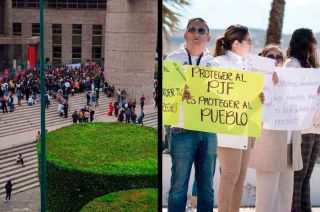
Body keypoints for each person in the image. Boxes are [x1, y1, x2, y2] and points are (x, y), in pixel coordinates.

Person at [166, 17, 219, 212]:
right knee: (178, 187)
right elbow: (163, 94)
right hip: (181, 130)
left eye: (201, 30)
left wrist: (256, 97)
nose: (197, 33)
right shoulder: (172, 59)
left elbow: (228, 97)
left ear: (208, 37)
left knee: (207, 188)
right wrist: (178, 92)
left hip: (208, 130)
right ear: (185, 33)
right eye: (193, 29)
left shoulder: (215, 65)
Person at [213, 24, 263, 212]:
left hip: (247, 127)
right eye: (249, 40)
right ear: (236, 43)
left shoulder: (248, 65)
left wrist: (258, 98)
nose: (251, 44)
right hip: (229, 129)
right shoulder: (219, 63)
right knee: (229, 176)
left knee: (240, 177)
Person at [249, 44, 303, 212]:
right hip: (268, 145)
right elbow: (250, 110)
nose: (275, 60)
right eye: (270, 57)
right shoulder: (255, 80)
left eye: (278, 57)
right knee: (266, 199)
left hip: (290, 146)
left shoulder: (294, 81)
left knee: (285, 199)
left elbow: (302, 106)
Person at [285, 28, 320, 212]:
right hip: (302, 126)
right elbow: (287, 92)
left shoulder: (312, 66)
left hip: (316, 126)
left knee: (306, 175)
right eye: (313, 40)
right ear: (304, 42)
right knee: (298, 175)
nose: (315, 44)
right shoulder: (292, 63)